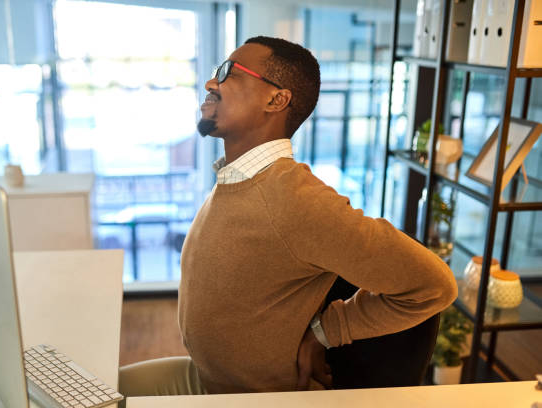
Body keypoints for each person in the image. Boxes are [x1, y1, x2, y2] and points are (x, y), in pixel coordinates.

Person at [118, 36, 457, 399]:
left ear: (276, 99)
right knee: (88, 392)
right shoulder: (236, 177)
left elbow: (434, 284)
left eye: (228, 72)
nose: (211, 82)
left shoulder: (297, 201)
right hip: (207, 379)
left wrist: (325, 332)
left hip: (252, 397)